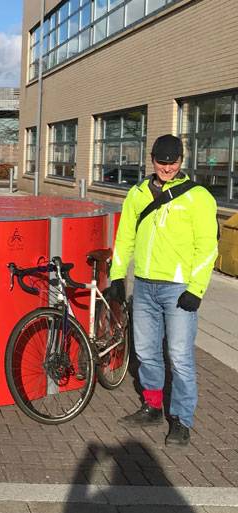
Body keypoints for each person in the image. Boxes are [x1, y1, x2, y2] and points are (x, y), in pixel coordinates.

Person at [108, 134, 218, 446]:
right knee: (145, 351)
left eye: (173, 162)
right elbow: (125, 236)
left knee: (180, 356)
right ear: (152, 159)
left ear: (182, 162)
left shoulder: (198, 197)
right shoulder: (138, 192)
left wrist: (196, 289)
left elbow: (207, 248)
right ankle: (153, 406)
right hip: (144, 284)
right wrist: (118, 276)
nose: (167, 168)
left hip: (179, 288)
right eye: (161, 161)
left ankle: (182, 419)